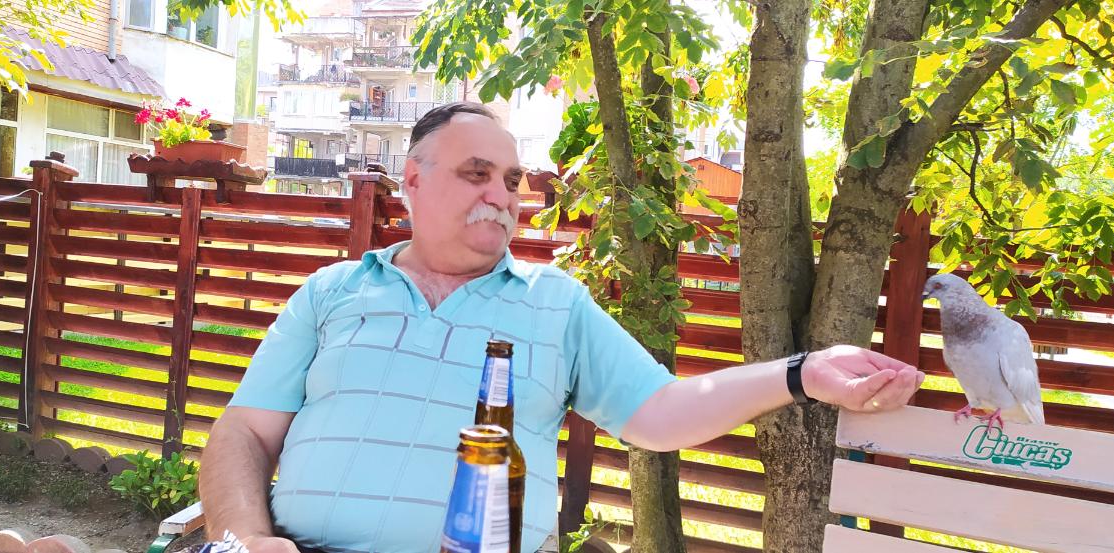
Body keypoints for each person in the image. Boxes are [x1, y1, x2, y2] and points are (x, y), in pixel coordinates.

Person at [199, 102, 925, 553]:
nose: (502, 195)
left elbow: (662, 412)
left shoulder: (555, 302)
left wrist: (802, 372)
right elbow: (243, 434)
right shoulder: (331, 293)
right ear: (413, 179)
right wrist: (245, 539)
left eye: (512, 180)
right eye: (477, 173)